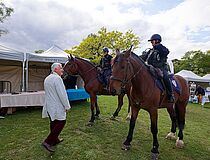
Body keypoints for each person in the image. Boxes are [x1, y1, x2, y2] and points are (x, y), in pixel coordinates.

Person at [42, 63, 71, 152]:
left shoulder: (47, 78)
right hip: (56, 105)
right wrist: (67, 106)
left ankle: (55, 140)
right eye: (60, 68)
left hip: (49, 105)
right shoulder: (57, 79)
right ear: (55, 70)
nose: (62, 70)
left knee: (53, 122)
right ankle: (48, 141)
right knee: (62, 121)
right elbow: (62, 94)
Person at [140, 34, 175, 103]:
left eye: (152, 41)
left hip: (161, 68)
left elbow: (166, 52)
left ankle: (171, 95)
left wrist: (157, 45)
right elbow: (142, 57)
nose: (151, 43)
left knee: (165, 77)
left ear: (156, 41)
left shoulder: (162, 49)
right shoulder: (150, 51)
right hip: (151, 68)